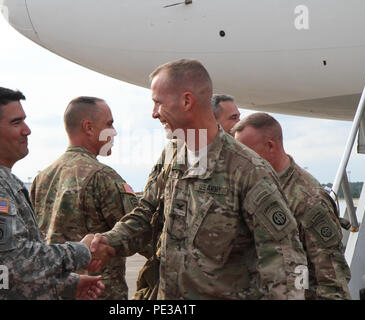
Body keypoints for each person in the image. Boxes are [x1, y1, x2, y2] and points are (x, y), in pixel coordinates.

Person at [91, 58, 308, 300]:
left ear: (186, 101)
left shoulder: (248, 171)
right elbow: (146, 215)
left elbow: (286, 262)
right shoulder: (172, 155)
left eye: (158, 103)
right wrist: (107, 243)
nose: (154, 114)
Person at [0, 85, 111, 300]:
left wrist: (66, 285)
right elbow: (14, 261)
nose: (27, 130)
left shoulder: (1, 180)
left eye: (24, 120)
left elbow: (1, 275)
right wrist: (81, 251)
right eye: (16, 122)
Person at [231, 112, 352, 300]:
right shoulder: (254, 186)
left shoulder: (308, 200)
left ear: (270, 146)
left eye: (247, 153)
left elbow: (332, 280)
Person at [30, 96, 139, 300]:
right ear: (89, 127)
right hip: (97, 292)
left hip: (56, 291)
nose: (114, 132)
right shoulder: (103, 177)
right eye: (109, 124)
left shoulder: (42, 178)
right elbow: (137, 233)